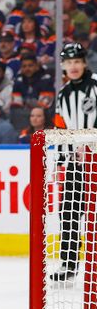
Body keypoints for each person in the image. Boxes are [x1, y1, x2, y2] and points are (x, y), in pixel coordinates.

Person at [49, 43, 97, 281]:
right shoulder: (63, 94)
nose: (74, 66)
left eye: (77, 61)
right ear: (63, 66)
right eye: (69, 63)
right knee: (68, 211)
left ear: (84, 63)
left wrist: (91, 146)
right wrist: (60, 163)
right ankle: (69, 264)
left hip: (96, 162)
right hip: (75, 164)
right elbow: (60, 130)